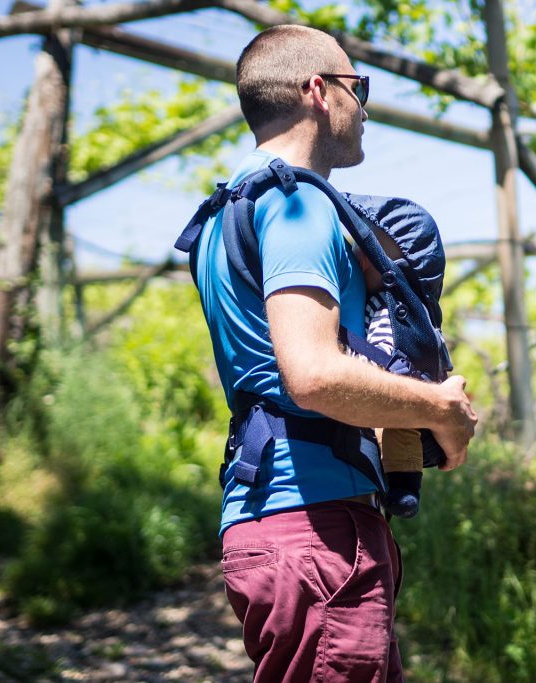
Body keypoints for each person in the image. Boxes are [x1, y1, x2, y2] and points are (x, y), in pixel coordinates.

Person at [185, 25, 476, 682]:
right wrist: (439, 406)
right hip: (316, 531)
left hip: (279, 521)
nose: (365, 108)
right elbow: (312, 373)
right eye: (358, 88)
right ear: (319, 91)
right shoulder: (295, 204)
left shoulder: (225, 209)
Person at [348, 199, 448, 518]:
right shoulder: (414, 312)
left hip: (397, 393)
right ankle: (402, 485)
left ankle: (404, 486)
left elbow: (383, 352)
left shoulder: (387, 311)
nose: (359, 259)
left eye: (369, 253)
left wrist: (356, 365)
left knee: (396, 430)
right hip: (413, 395)